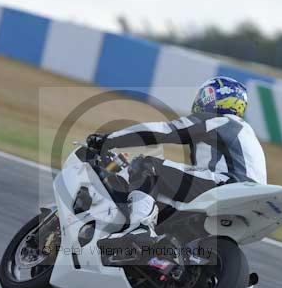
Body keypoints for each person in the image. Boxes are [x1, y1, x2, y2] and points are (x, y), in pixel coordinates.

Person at [87, 76, 267, 244]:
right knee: (169, 200)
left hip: (226, 184)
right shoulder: (246, 131)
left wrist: (110, 139)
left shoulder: (216, 120)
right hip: (250, 195)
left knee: (147, 165)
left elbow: (165, 131)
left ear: (214, 98)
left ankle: (138, 229)